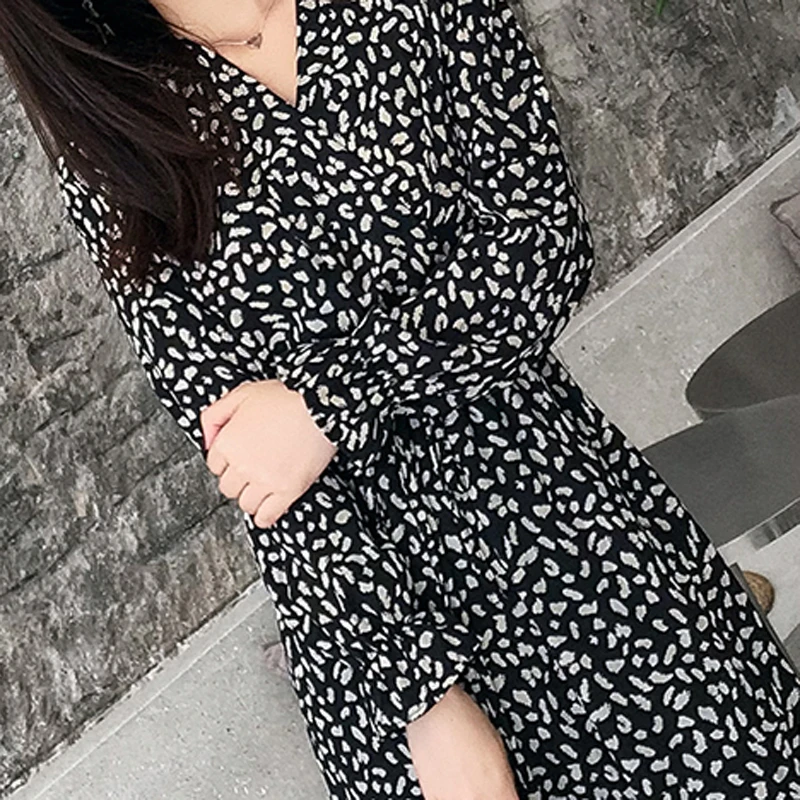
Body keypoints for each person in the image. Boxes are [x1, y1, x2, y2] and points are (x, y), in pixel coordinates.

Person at [3, 0, 799, 797]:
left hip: (574, 536)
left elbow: (542, 245)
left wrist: (324, 403)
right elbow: (260, 472)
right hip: (375, 632)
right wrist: (427, 704)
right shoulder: (108, 123)